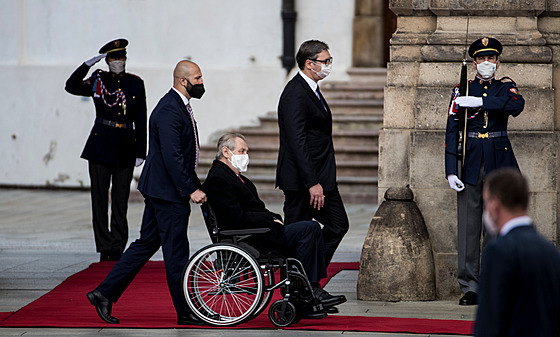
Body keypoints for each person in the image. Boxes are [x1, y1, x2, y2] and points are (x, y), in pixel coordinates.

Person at [86, 60, 207, 326]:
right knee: (176, 253)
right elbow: (172, 156)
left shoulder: (177, 106)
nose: (201, 83)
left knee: (145, 245)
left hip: (161, 188)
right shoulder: (168, 110)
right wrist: (190, 190)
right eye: (197, 78)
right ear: (182, 80)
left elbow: (184, 155)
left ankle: (104, 293)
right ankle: (185, 312)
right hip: (168, 193)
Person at [203, 133, 346, 313]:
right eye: (242, 151)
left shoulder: (236, 177)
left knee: (309, 231)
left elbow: (256, 209)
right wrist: (269, 219)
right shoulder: (219, 179)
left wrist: (272, 216)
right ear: (225, 151)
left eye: (246, 151)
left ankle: (308, 291)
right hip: (250, 236)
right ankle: (310, 291)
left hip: (259, 231)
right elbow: (235, 218)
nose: (246, 155)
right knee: (310, 228)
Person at [444, 37, 525, 305]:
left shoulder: (506, 88)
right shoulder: (461, 89)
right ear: (474, 62)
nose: (486, 63)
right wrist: (450, 170)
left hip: (499, 162)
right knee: (468, 226)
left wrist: (480, 103)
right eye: (481, 59)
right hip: (470, 160)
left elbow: (517, 106)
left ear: (498, 62)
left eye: (491, 59)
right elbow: (452, 129)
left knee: (496, 225)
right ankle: (470, 286)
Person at [65, 38, 147, 261]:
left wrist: (142, 150)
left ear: (125, 59)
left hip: (126, 146)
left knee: (120, 200)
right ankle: (104, 246)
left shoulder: (135, 83)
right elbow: (70, 86)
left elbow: (141, 119)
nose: (118, 61)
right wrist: (87, 65)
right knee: (99, 199)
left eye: (121, 57)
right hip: (100, 145)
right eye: (114, 58)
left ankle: (118, 246)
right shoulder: (97, 81)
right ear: (107, 60)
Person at [276, 40, 349, 267]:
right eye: (324, 61)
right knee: (298, 232)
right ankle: (300, 287)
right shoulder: (295, 92)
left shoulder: (311, 90)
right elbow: (297, 142)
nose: (328, 65)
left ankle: (309, 277)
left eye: (329, 61)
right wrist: (312, 182)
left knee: (338, 224)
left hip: (321, 177)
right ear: (309, 63)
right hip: (303, 182)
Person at [474, 168, 560, 336]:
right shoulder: (551, 252)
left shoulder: (498, 251)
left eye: (485, 203)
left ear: (495, 204)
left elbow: (489, 321)